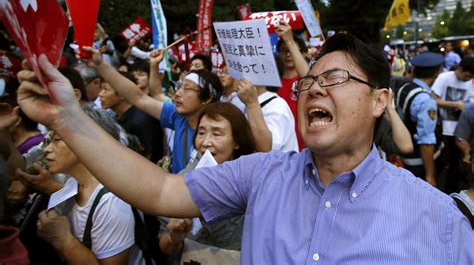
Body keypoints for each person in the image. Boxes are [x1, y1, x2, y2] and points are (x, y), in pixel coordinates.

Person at [17, 34, 473, 264]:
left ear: (379, 101)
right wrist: (67, 118)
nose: (313, 90)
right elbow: (158, 191)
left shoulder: (440, 219)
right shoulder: (261, 174)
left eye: (334, 79)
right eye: (309, 81)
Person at [86, 47, 222, 173]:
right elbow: (138, 98)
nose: (178, 94)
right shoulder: (177, 116)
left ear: (207, 98)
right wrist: (100, 65)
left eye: (187, 89)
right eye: (179, 87)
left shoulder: (221, 133)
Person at [37, 106, 144, 264]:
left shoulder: (111, 201)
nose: (47, 149)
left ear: (87, 143)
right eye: (48, 140)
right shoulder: (75, 182)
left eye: (56, 140)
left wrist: (64, 240)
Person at [158, 102, 255, 261]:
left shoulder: (252, 183)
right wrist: (173, 238)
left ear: (237, 141)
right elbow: (165, 247)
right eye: (201, 133)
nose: (205, 142)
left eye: (217, 134)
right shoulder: (182, 180)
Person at [395, 52, 444, 186]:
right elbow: (426, 141)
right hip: (419, 162)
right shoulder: (426, 100)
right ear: (436, 73)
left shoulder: (404, 87)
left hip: (405, 158)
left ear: (415, 70)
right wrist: (430, 175)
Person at [432, 56, 474, 193]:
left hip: (460, 129)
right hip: (443, 127)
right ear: (460, 69)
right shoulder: (445, 78)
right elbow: (433, 99)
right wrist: (455, 104)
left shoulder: (469, 83)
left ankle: (451, 193)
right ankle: (432, 185)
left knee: (455, 163)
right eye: (467, 76)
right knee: (441, 161)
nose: (467, 80)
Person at [276, 22, 309, 151]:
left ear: (304, 54)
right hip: (280, 145)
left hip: (303, 144)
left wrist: (290, 40)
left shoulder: (306, 78)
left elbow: (308, 79)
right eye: (284, 51)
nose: (288, 55)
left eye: (292, 51)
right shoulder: (272, 82)